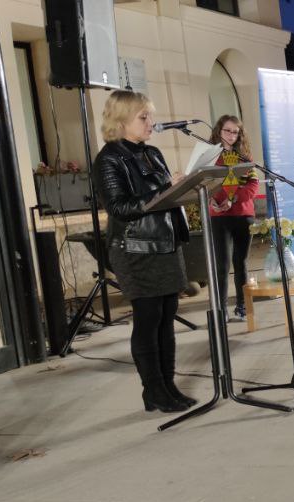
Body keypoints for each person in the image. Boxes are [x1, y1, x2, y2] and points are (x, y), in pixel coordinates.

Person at [92, 90, 195, 413]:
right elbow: (120, 207)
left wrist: (181, 188)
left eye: (150, 115)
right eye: (144, 117)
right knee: (148, 319)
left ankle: (168, 386)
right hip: (135, 248)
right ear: (121, 121)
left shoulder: (152, 153)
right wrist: (167, 189)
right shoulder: (109, 158)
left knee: (166, 318)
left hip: (164, 243)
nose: (152, 122)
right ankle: (154, 391)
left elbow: (163, 198)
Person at [206, 115, 259, 322]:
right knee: (222, 264)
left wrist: (233, 198)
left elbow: (252, 186)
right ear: (219, 131)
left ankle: (242, 306)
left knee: (241, 262)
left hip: (243, 215)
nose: (231, 135)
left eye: (235, 132)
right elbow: (206, 184)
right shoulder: (210, 156)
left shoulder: (245, 157)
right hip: (218, 216)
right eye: (227, 130)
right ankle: (221, 310)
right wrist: (211, 200)